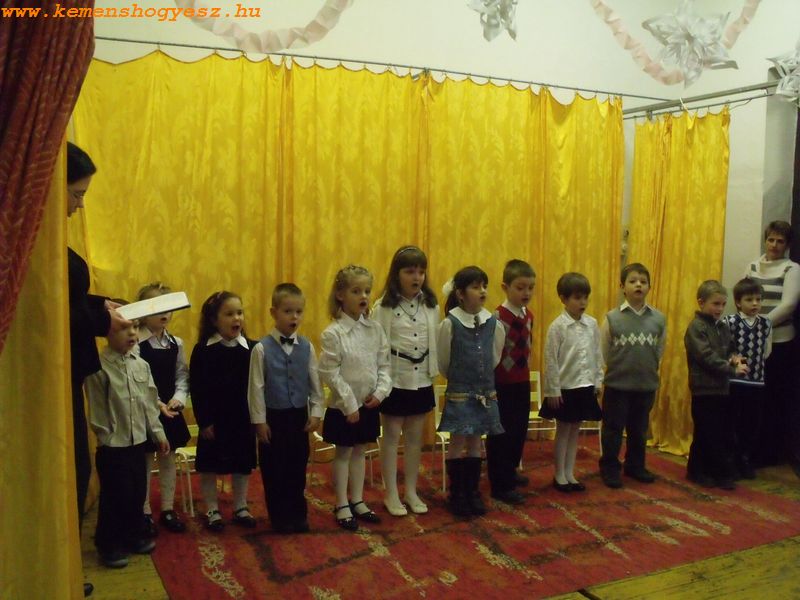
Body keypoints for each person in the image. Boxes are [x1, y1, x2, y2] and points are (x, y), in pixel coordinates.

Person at [67, 142, 131, 596]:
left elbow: (69, 301)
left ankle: (65, 566)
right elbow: (53, 312)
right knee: (73, 470)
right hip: (55, 377)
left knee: (77, 468)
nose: (79, 205)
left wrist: (102, 305)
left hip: (68, 373)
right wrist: (100, 318)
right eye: (77, 194)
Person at [84, 315, 169, 569]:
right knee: (115, 496)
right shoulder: (98, 367)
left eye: (135, 327)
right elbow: (97, 407)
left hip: (137, 442)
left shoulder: (141, 365)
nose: (132, 333)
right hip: (113, 446)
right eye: (123, 328)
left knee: (136, 492)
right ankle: (108, 544)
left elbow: (149, 404)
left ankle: (133, 536)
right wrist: (106, 437)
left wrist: (158, 434)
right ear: (107, 332)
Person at [319, 265, 391, 531]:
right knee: (344, 453)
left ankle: (358, 500)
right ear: (340, 295)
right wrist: (350, 404)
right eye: (356, 291)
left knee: (361, 451)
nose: (364, 296)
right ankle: (341, 503)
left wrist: (380, 393)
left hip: (368, 403)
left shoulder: (375, 329)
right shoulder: (333, 333)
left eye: (367, 291)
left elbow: (384, 366)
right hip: (344, 407)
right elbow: (329, 372)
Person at [248, 283, 324, 533]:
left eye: (299, 312)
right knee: (274, 469)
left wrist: (316, 412)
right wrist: (259, 422)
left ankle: (298, 514)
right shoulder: (261, 348)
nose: (294, 317)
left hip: (298, 417)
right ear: (274, 313)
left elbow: (315, 383)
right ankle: (279, 517)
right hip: (274, 417)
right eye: (288, 311)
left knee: (297, 466)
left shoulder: (307, 347)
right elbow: (256, 388)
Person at [372, 246, 439, 517]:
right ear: (396, 274)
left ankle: (411, 491)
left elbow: (434, 341)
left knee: (414, 437)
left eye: (421, 272)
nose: (417, 277)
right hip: (394, 379)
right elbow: (377, 346)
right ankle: (391, 493)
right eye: (410, 271)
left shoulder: (430, 305)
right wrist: (380, 381)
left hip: (421, 377)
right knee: (391, 437)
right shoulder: (383, 307)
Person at [438, 266, 505, 517]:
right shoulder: (450, 324)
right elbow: (444, 361)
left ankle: (472, 491)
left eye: (484, 286)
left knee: (477, 441)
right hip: (460, 392)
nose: (482, 291)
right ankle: (457, 493)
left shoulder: (493, 323)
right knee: (457, 442)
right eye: (476, 287)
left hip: (484, 392)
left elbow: (494, 356)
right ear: (460, 293)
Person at [189, 291, 257, 532]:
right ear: (213, 320)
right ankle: (212, 508)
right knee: (210, 465)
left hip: (242, 418)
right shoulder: (203, 350)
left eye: (239, 313)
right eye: (229, 314)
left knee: (241, 463)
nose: (236, 318)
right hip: (215, 420)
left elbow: (258, 387)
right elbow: (197, 389)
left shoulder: (252, 349)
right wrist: (204, 421)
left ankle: (240, 506)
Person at [598, 263, 667, 489]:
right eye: (633, 281)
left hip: (645, 385)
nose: (639, 285)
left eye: (643, 281)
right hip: (617, 386)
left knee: (639, 429)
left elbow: (659, 350)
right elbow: (603, 352)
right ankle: (610, 467)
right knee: (613, 429)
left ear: (649, 287)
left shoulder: (659, 319)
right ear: (622, 287)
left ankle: (635, 465)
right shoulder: (611, 318)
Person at [135, 282, 191, 536]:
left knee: (169, 459)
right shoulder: (136, 342)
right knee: (146, 461)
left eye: (168, 307)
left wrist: (178, 398)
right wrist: (157, 404)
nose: (164, 313)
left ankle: (167, 508)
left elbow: (182, 375)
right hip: (146, 410)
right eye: (157, 307)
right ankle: (144, 511)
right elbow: (139, 381)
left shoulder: (175, 343)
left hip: (170, 409)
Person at [745, 221, 800, 472]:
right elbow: (742, 297)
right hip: (754, 342)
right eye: (771, 240)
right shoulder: (753, 267)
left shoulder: (792, 269)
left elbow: (788, 305)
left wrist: (760, 324)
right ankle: (751, 450)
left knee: (774, 399)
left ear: (787, 245)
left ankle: (770, 453)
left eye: (780, 241)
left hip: (780, 343)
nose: (774, 245)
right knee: (754, 397)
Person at [541, 273, 604, 493]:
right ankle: (559, 475)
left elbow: (597, 354)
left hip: (584, 386)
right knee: (563, 430)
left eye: (585, 297)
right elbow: (551, 360)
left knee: (575, 430)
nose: (583, 302)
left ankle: (570, 473)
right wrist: (553, 389)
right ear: (563, 298)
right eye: (577, 298)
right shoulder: (557, 327)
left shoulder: (592, 324)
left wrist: (597, 381)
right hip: (565, 388)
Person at [684, 281, 750, 490]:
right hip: (703, 388)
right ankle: (697, 471)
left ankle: (715, 470)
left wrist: (735, 358)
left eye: (723, 304)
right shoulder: (696, 327)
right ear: (701, 302)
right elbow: (705, 357)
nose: (720, 309)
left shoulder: (722, 327)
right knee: (705, 431)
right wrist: (731, 369)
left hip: (721, 387)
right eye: (715, 304)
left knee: (719, 431)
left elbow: (729, 349)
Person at [486, 259, 536, 505]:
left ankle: (511, 470)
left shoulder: (529, 315)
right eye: (520, 287)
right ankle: (500, 483)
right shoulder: (498, 317)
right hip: (502, 384)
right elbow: (493, 355)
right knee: (501, 434)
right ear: (505, 287)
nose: (526, 293)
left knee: (519, 430)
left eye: (530, 288)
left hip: (521, 382)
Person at [723, 279, 772, 479]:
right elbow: (726, 349)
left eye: (758, 299)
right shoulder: (730, 322)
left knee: (751, 422)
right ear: (738, 302)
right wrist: (736, 364)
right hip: (735, 381)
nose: (755, 304)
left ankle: (744, 458)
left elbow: (767, 350)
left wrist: (756, 366)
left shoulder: (766, 323)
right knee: (732, 420)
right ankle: (730, 460)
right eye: (749, 299)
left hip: (757, 381)